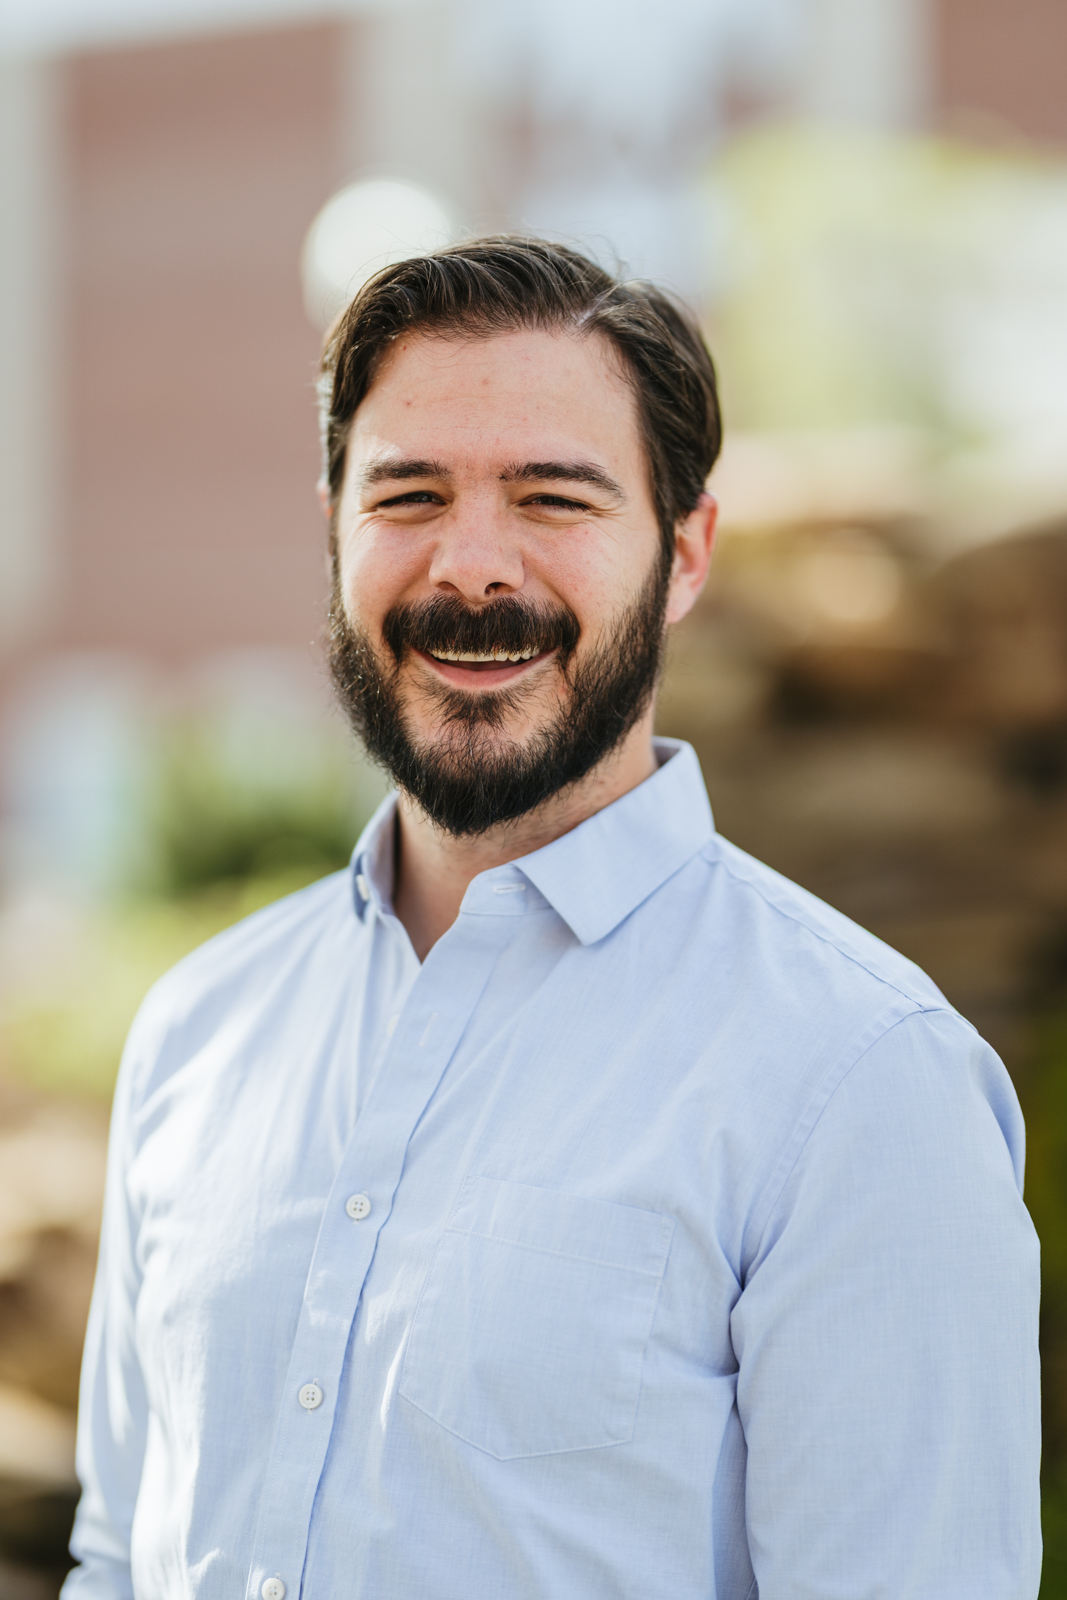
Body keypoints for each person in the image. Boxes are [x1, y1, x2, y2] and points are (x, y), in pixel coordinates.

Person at [64, 238, 1040, 1600]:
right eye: (408, 493)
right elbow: (118, 1556)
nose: (473, 567)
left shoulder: (863, 1082)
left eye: (553, 497)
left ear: (685, 552)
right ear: (333, 528)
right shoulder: (197, 1032)